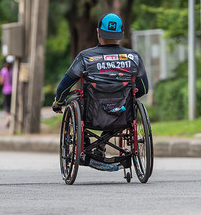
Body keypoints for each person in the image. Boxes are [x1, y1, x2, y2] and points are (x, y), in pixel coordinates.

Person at [52, 13, 149, 156]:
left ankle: (85, 140)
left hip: (92, 115)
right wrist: (129, 97)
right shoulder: (133, 57)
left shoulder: (85, 57)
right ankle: (102, 143)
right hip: (122, 113)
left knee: (73, 100)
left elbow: (64, 86)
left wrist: (58, 101)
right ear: (121, 33)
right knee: (119, 108)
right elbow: (144, 88)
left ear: (98, 31)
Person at [0, 55, 15, 128]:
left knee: (7, 106)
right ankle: (12, 118)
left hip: (6, 90)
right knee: (13, 105)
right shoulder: (15, 70)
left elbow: (1, 82)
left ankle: (8, 118)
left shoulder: (3, 70)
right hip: (14, 90)